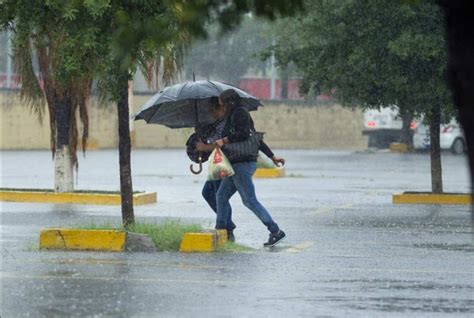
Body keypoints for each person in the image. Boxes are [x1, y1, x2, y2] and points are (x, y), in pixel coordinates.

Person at [199, 89, 286, 247]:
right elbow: (256, 139)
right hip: (236, 163)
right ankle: (222, 230)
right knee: (221, 196)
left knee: (249, 200)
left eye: (223, 104)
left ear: (229, 102)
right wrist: (273, 157)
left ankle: (275, 230)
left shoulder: (240, 113)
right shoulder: (232, 116)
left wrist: (224, 140)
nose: (222, 107)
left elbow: (245, 134)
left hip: (243, 164)